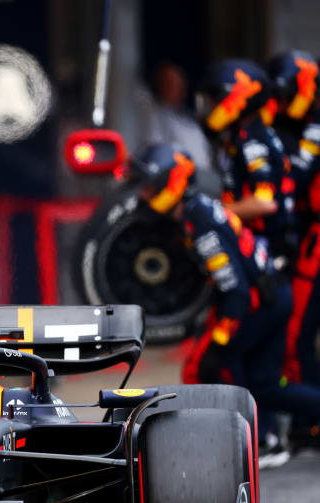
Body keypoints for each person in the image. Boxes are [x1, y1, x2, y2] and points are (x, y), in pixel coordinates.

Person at [131, 144, 319, 467]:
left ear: (169, 184)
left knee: (208, 365)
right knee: (265, 384)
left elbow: (237, 292)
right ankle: (263, 440)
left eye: (150, 188)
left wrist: (221, 340)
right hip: (274, 295)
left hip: (263, 303)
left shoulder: (197, 220)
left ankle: (227, 445)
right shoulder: (198, 207)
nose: (145, 196)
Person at [198, 59, 294, 259]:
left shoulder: (253, 143)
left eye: (214, 100)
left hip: (268, 248)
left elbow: (265, 203)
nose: (211, 108)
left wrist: (215, 211)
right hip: (251, 241)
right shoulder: (240, 137)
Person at [267, 51, 320, 388]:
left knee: (297, 337)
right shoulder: (287, 129)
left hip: (314, 243)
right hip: (304, 238)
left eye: (286, 94)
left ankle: (310, 420)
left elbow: (294, 181)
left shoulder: (314, 129)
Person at [140, 61, 213, 170]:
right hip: (175, 177)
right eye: (170, 84)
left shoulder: (191, 119)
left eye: (179, 84)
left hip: (202, 177)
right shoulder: (153, 115)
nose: (176, 88)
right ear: (160, 86)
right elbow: (155, 151)